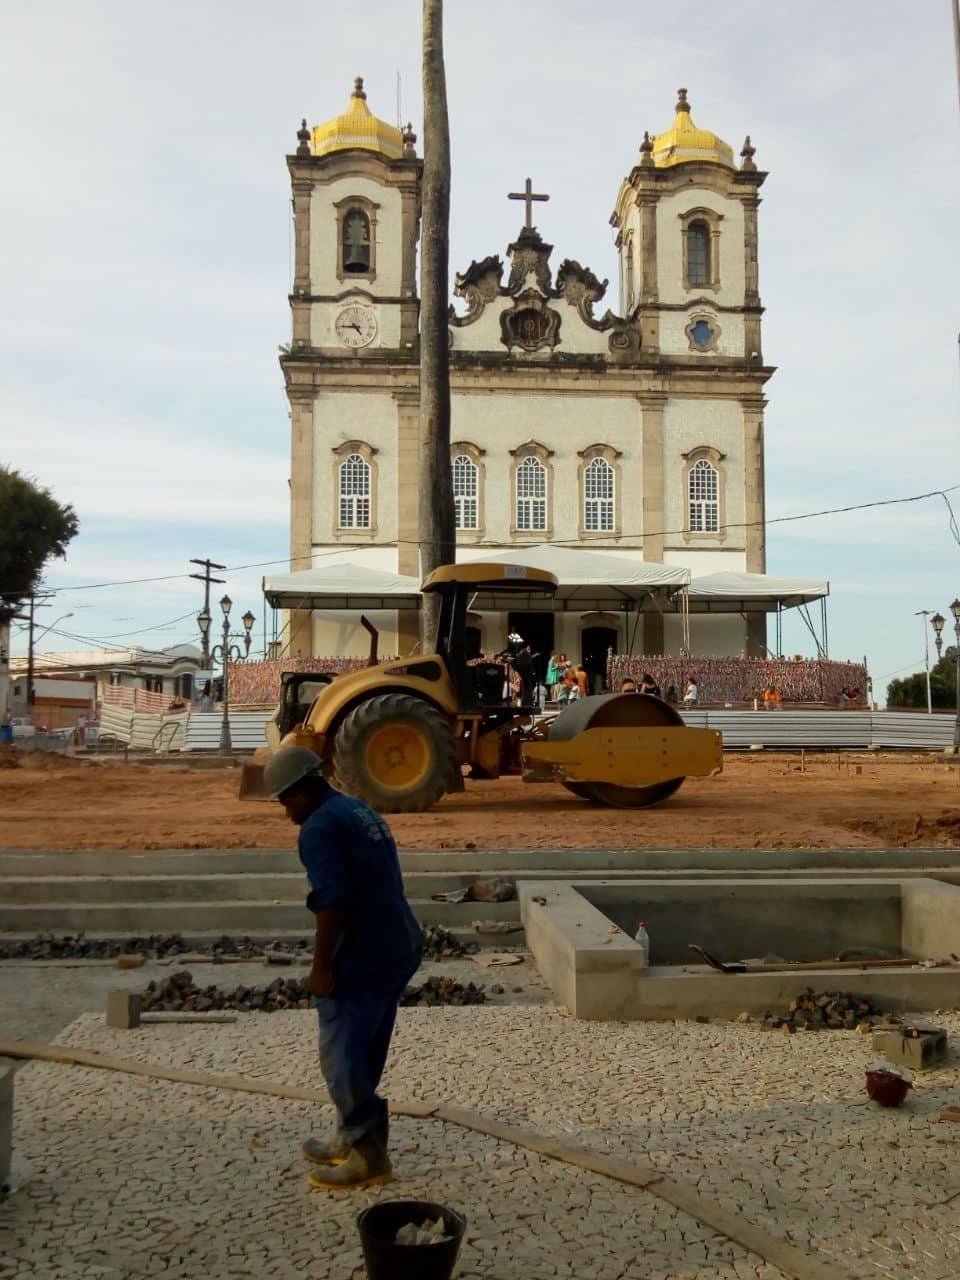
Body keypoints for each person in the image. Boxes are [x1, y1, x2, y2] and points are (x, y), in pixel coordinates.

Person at [263, 746, 425, 1191]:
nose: (285, 812)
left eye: (285, 800)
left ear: (304, 789)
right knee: (365, 1045)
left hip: (365, 951)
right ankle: (352, 1134)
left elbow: (330, 902)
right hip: (398, 942)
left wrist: (321, 968)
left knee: (341, 1054)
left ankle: (368, 1156)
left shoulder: (317, 828)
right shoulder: (357, 809)